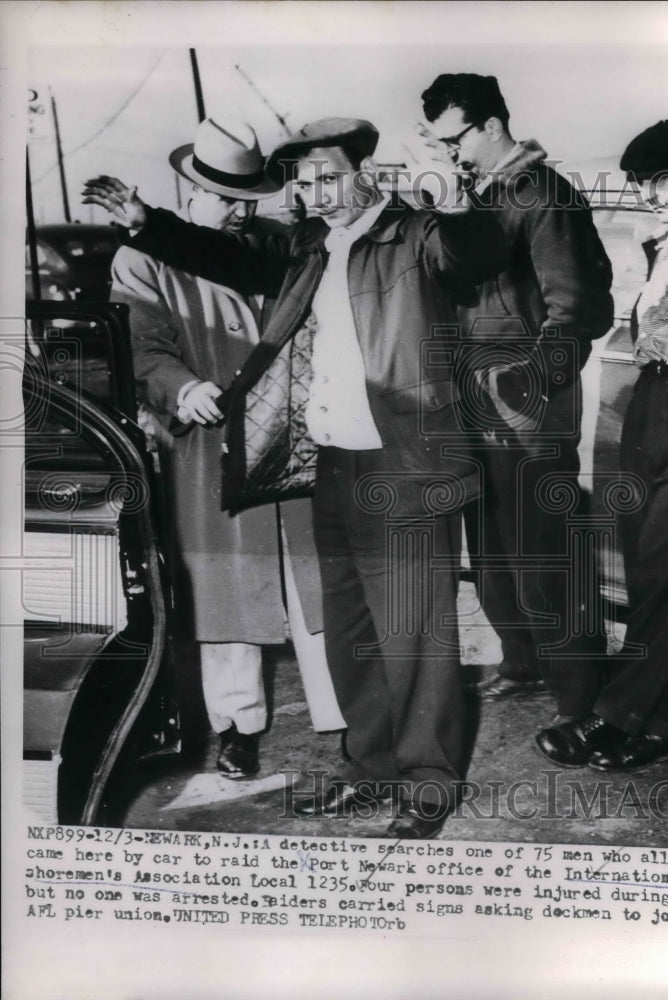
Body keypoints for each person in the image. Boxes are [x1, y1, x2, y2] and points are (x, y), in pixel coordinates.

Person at [85, 116, 506, 838]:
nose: (317, 191)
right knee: (353, 632)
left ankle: (429, 782)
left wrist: (457, 190)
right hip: (336, 461)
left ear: (364, 172)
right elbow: (225, 257)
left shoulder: (414, 233)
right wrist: (141, 220)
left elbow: (478, 252)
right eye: (305, 182)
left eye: (329, 175)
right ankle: (370, 770)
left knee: (415, 632)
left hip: (406, 459)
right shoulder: (310, 245)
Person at [110, 117, 344, 781]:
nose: (240, 211)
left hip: (294, 436)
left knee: (316, 582)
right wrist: (181, 391)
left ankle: (345, 714)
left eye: (248, 198)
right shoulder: (139, 258)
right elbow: (143, 347)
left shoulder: (274, 244)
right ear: (187, 188)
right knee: (227, 591)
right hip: (209, 445)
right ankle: (238, 726)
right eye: (224, 198)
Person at [535, 118, 668, 771]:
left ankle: (612, 716)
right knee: (651, 570)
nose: (649, 195)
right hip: (651, 403)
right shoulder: (666, 239)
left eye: (659, 182)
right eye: (639, 185)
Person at [420, 74, 614, 720]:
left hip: (528, 408)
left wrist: (535, 381)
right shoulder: (478, 196)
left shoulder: (543, 194)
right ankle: (523, 663)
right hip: (475, 403)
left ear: (492, 125)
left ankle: (581, 699)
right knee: (495, 553)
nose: (450, 155)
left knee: (548, 554)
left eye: (455, 141)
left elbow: (578, 305)